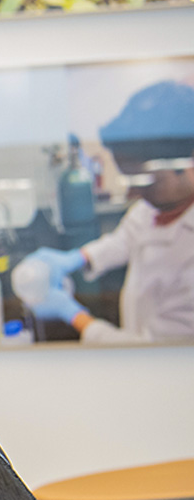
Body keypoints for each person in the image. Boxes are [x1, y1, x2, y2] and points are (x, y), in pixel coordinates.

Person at [27, 80, 194, 344]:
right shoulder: (155, 207)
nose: (135, 194)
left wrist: (75, 317)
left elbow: (153, 350)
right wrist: (77, 258)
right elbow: (125, 240)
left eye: (147, 182)